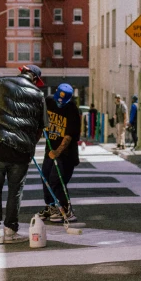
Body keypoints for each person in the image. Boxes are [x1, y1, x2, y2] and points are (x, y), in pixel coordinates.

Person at [0, 64, 48, 245]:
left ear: (22, 72)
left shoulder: (2, 83)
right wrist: (30, 143)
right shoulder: (39, 95)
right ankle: (10, 232)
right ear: (35, 79)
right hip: (20, 151)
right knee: (15, 192)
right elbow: (41, 127)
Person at [40, 83, 81, 223]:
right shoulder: (49, 101)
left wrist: (57, 152)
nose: (60, 103)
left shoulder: (72, 110)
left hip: (66, 154)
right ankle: (51, 208)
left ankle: (66, 210)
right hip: (50, 150)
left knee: (56, 181)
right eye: (58, 99)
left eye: (63, 101)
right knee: (45, 177)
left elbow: (69, 136)